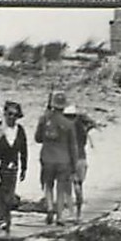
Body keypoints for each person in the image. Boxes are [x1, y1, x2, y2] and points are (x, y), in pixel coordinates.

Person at [34, 91, 79, 225]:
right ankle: (59, 216)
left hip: (47, 158)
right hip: (64, 160)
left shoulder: (44, 119)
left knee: (47, 185)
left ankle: (49, 207)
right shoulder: (69, 124)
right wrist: (74, 164)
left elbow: (38, 139)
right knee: (61, 189)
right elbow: (73, 146)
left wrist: (44, 124)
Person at [0, 100, 28, 237]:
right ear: (4, 114)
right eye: (9, 114)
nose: (12, 117)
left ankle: (7, 220)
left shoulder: (20, 130)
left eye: (15, 115)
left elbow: (24, 150)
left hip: (13, 167)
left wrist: (24, 168)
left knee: (9, 196)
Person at [65, 104, 93, 222]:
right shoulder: (82, 128)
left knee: (68, 186)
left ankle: (70, 213)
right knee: (79, 186)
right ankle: (78, 213)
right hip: (82, 159)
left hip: (71, 160)